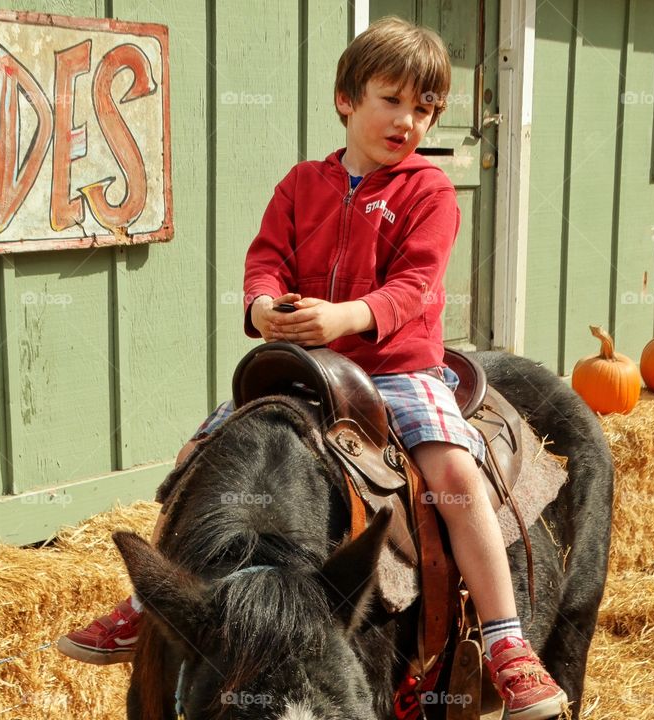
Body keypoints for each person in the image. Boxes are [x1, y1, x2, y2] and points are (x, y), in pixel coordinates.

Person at [58, 16, 567, 720]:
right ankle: (160, 600)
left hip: (395, 368)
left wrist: (349, 317)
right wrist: (264, 306)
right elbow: (265, 256)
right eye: (392, 100)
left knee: (454, 474)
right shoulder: (302, 184)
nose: (408, 121)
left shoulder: (428, 192)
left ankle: (507, 642)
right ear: (346, 99)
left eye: (425, 109)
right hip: (304, 372)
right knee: (198, 458)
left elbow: (416, 285)